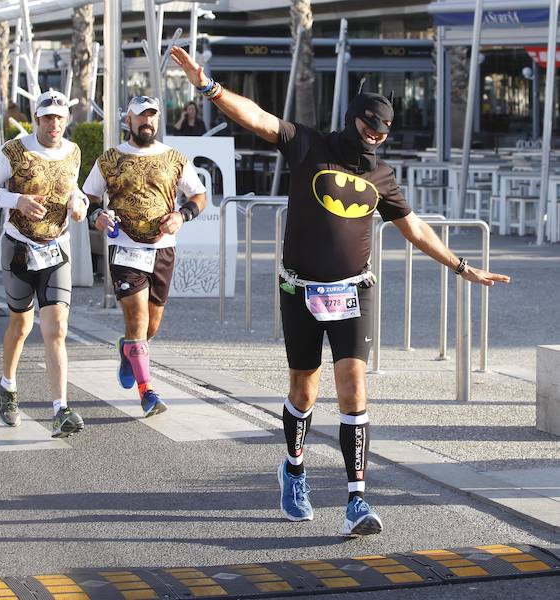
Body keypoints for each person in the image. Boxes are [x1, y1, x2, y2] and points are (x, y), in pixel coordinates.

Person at [170, 45, 510, 537]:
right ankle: (293, 469)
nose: (375, 137)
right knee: (304, 390)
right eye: (370, 128)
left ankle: (356, 499)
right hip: (300, 289)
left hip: (354, 291)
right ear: (353, 120)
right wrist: (208, 87)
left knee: (353, 387)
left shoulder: (382, 175)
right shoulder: (308, 145)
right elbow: (259, 118)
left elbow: (415, 229)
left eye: (383, 132)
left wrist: (462, 266)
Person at [83, 95, 207, 418]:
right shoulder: (111, 159)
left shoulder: (174, 158)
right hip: (124, 246)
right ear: (129, 121)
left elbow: (199, 194)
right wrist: (96, 214)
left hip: (163, 248)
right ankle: (147, 392)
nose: (147, 122)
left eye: (152, 116)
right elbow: (90, 196)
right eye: (141, 117)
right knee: (137, 319)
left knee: (151, 325)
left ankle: (129, 349)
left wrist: (183, 215)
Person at [0, 90, 88, 438]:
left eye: (59, 117)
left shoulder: (73, 152)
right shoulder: (14, 150)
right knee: (21, 327)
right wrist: (17, 200)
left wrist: (79, 203)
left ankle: (60, 408)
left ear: (66, 119)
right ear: (36, 118)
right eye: (47, 117)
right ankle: (7, 387)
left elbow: (75, 190)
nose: (53, 123)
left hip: (57, 248)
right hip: (20, 248)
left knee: (56, 329)